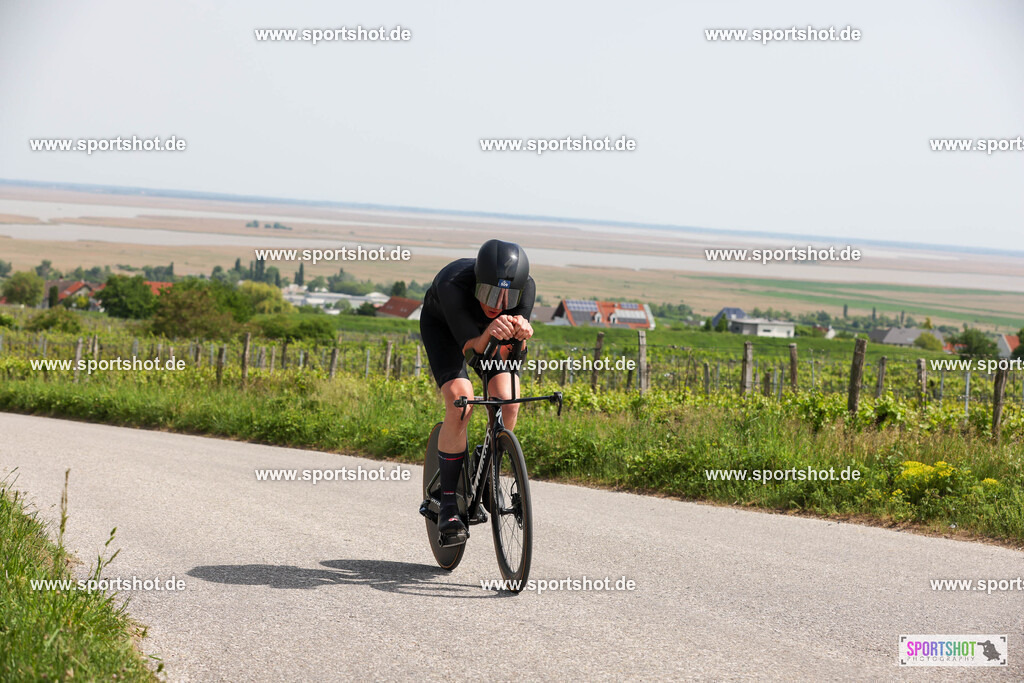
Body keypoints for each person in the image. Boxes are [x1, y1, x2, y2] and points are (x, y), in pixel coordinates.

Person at [419, 239, 535, 545]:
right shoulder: (453, 284)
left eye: (507, 297)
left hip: (487, 334)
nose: (497, 303)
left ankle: (489, 466)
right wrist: (489, 332)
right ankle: (448, 503)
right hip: (446, 330)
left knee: (508, 400)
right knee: (461, 401)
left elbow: (512, 360)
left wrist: (521, 338)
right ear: (476, 283)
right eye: (489, 294)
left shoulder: (526, 290)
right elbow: (473, 353)